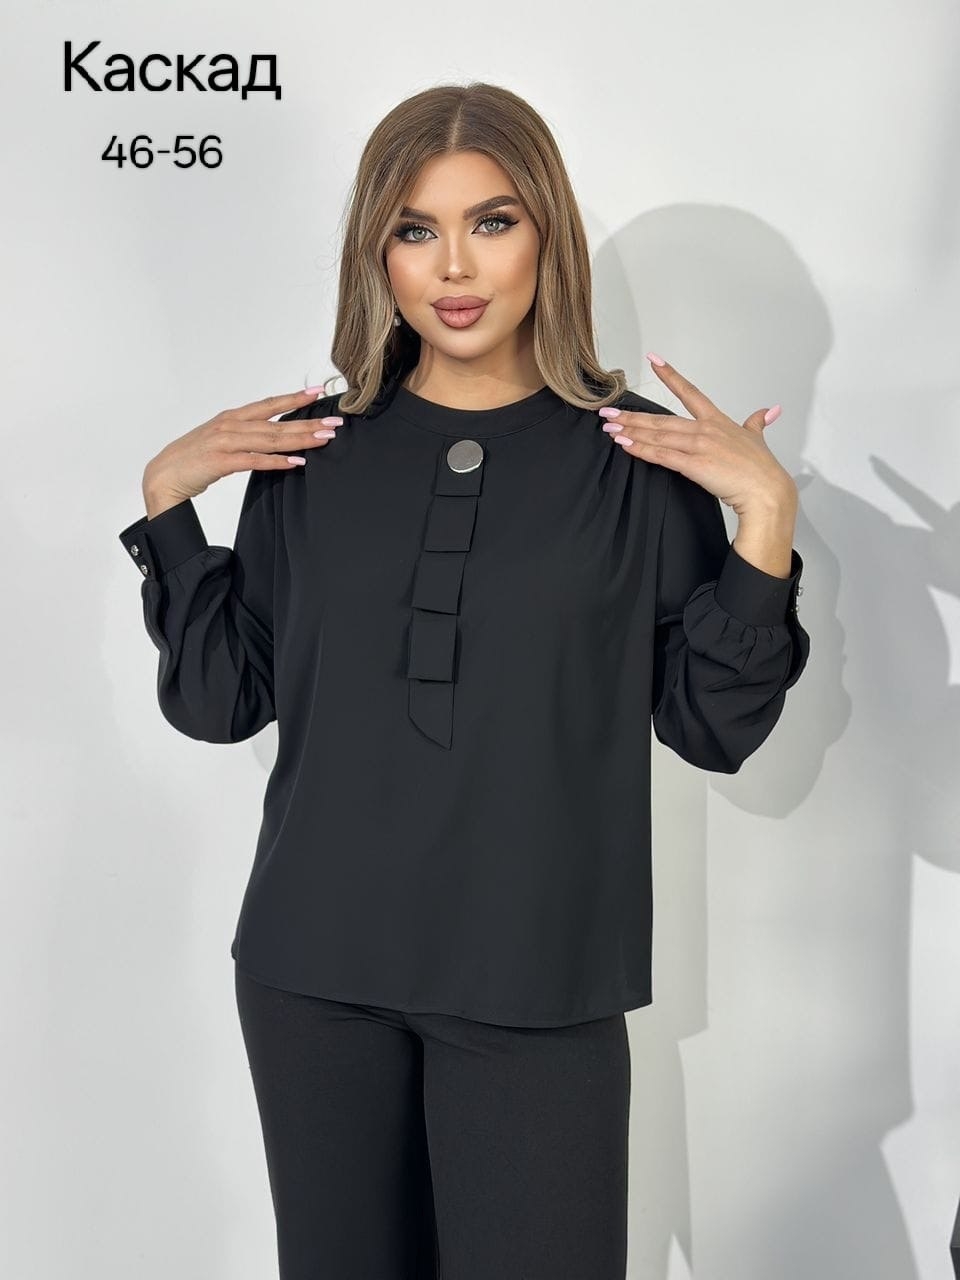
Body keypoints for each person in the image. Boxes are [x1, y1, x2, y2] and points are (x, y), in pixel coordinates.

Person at [118, 81, 810, 1280]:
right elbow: (222, 700)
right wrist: (170, 506)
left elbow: (713, 726)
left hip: (538, 980)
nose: (454, 266)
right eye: (415, 228)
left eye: (492, 222)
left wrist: (764, 515)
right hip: (311, 975)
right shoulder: (312, 451)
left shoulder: (639, 459)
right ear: (376, 251)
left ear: (547, 235)